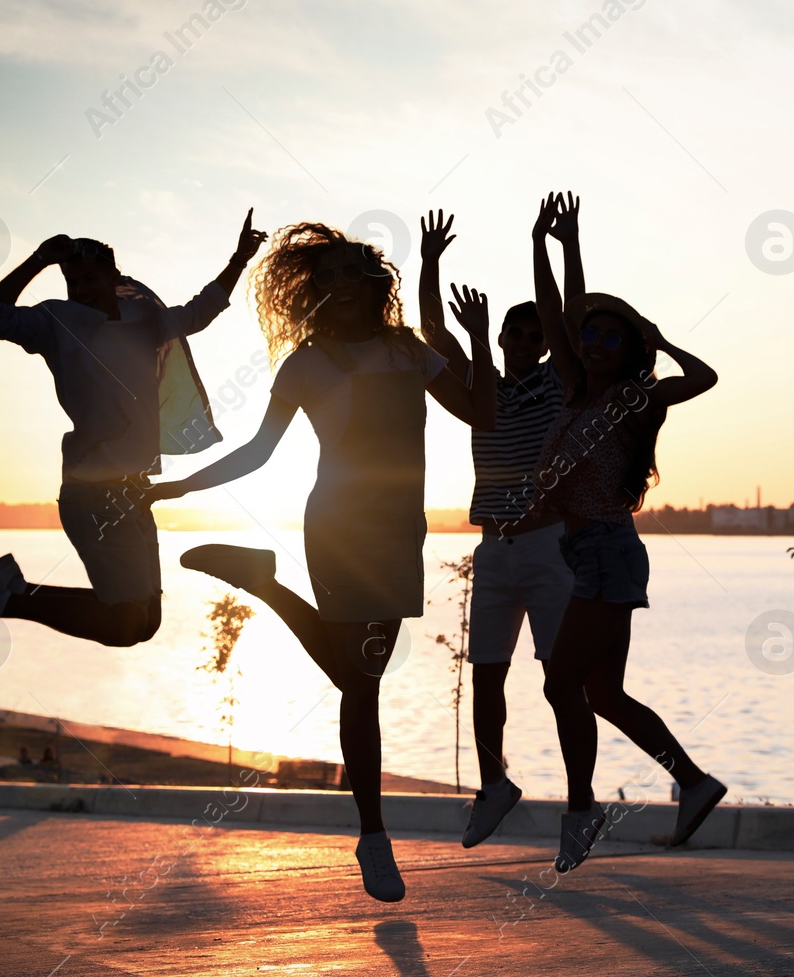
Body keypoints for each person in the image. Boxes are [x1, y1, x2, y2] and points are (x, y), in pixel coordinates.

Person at [145, 216, 495, 903]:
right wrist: (182, 485)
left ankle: (264, 584)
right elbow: (258, 451)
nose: (335, 285)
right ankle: (372, 835)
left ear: (371, 283)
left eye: (346, 273)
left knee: (359, 674)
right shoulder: (306, 362)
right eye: (323, 276)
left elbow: (482, 413)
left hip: (399, 530)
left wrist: (478, 340)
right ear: (311, 291)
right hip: (337, 525)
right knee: (360, 685)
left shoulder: (408, 351)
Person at [0, 212, 267, 646]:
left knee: (146, 624)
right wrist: (40, 259)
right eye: (73, 281)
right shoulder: (57, 322)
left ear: (113, 276)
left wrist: (239, 259)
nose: (81, 290)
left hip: (136, 490)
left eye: (89, 279)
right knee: (123, 626)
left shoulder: (144, 319)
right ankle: (7, 598)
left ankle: (11, 592)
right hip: (94, 493)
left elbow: (199, 312)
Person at [506, 191, 725, 873]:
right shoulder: (573, 388)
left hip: (609, 552)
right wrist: (548, 244)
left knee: (558, 682)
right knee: (601, 692)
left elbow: (706, 376)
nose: (594, 341)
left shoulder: (636, 397)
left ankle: (582, 807)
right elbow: (556, 312)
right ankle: (694, 783)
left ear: (628, 349)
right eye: (589, 335)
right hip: (589, 553)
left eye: (611, 336)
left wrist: (658, 343)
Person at [416, 211, 577, 849]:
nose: (526, 333)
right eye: (517, 325)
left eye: (534, 329)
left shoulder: (555, 382)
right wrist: (429, 262)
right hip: (494, 548)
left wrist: (544, 244)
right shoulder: (482, 387)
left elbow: (558, 313)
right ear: (501, 332)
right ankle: (494, 784)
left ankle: (580, 802)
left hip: (547, 545)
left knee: (561, 679)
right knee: (486, 673)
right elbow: (432, 334)